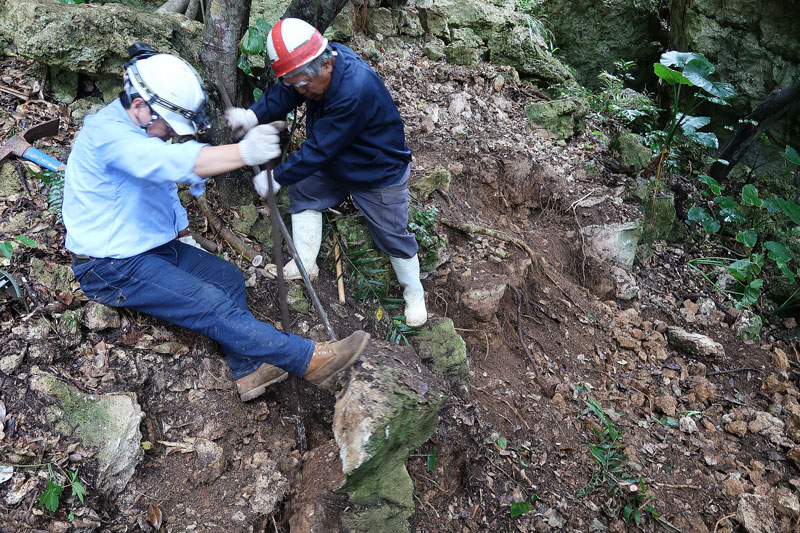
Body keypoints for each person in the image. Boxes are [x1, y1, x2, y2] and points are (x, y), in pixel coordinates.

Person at [62, 44, 369, 401]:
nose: (171, 135)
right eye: (168, 126)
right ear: (141, 106)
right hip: (109, 265)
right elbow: (166, 163)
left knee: (226, 278)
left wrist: (182, 232)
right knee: (210, 303)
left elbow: (159, 185)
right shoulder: (107, 135)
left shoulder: (141, 131)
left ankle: (250, 370)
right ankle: (309, 359)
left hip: (152, 248)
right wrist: (243, 153)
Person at [225, 18, 428, 327]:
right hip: (336, 161)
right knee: (304, 187)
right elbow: (288, 92)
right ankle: (306, 261)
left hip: (377, 169)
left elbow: (320, 149)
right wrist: (253, 115)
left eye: (304, 84)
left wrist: (276, 178)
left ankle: (414, 292)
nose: (302, 91)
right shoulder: (314, 66)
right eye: (296, 84)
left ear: (327, 66)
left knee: (391, 233)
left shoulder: (354, 90)